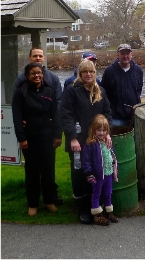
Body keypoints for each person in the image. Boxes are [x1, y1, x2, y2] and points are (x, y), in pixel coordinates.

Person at [61, 59, 113, 224]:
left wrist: (108, 134)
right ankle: (82, 208)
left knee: (98, 172)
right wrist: (72, 138)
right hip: (79, 141)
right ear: (80, 74)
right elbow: (66, 115)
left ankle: (96, 207)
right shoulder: (71, 91)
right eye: (85, 72)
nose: (88, 74)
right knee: (79, 173)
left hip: (97, 143)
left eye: (91, 71)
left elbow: (107, 113)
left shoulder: (101, 91)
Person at [14, 47, 63, 205]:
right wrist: (21, 135)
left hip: (47, 134)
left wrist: (57, 133)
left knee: (48, 169)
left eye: (40, 56)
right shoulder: (20, 87)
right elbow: (17, 112)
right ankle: (33, 202)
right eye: (34, 55)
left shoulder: (51, 85)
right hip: (30, 135)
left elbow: (57, 107)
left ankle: (50, 199)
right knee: (32, 170)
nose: (37, 58)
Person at [82, 114, 119, 225]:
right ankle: (97, 215)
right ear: (94, 130)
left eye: (104, 130)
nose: (101, 133)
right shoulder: (91, 144)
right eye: (99, 130)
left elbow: (112, 156)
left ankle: (108, 212)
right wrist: (90, 174)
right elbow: (86, 160)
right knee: (96, 193)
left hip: (108, 173)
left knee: (108, 193)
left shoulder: (108, 142)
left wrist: (115, 169)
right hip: (97, 175)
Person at [101, 43, 143, 126]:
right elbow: (103, 93)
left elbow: (139, 90)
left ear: (131, 55)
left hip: (134, 116)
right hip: (115, 118)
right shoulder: (109, 71)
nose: (125, 56)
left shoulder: (138, 70)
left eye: (127, 53)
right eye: (122, 53)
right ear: (118, 55)